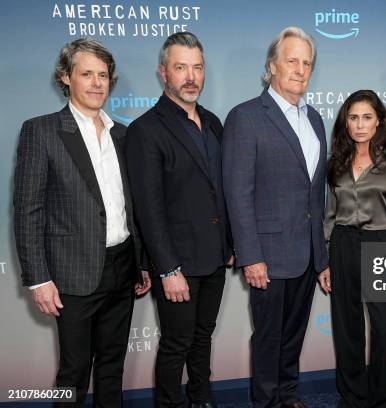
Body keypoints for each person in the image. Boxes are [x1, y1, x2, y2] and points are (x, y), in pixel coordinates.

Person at [13, 38, 151, 407]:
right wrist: (38, 279)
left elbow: (129, 206)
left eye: (103, 75)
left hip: (122, 268)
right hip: (72, 275)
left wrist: (141, 263)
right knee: (73, 372)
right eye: (86, 74)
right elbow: (27, 211)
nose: (96, 83)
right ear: (65, 78)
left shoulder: (123, 134)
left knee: (112, 367)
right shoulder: (41, 131)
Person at [125, 32, 233, 408]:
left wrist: (230, 245)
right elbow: (148, 209)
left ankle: (202, 399)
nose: (191, 76)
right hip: (177, 265)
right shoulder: (145, 130)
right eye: (181, 67)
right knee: (176, 344)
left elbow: (220, 189)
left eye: (197, 67)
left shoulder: (214, 122)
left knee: (203, 336)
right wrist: (167, 269)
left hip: (215, 257)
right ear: (163, 73)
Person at [222, 26, 328, 408]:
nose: (300, 69)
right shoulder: (246, 117)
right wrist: (250, 255)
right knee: (268, 337)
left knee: (294, 333)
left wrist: (322, 257)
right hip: (267, 254)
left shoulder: (315, 119)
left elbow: (316, 195)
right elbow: (238, 193)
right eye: (292, 60)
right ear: (272, 66)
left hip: (305, 254)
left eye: (307, 63)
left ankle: (288, 395)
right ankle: (266, 402)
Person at [320, 90, 386, 408]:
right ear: (346, 122)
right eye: (353, 117)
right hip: (343, 246)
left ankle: (381, 399)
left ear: (379, 121)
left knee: (383, 330)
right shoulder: (336, 163)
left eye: (367, 117)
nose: (360, 125)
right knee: (347, 328)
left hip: (381, 246)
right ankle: (352, 397)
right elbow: (330, 216)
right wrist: (326, 260)